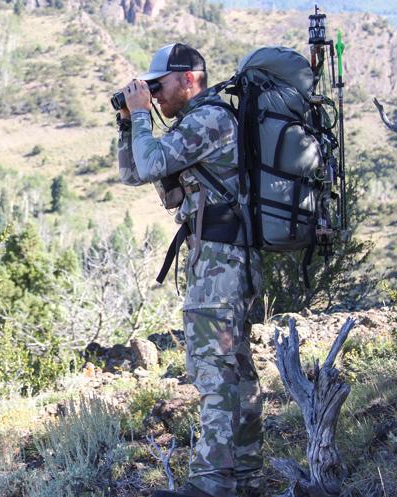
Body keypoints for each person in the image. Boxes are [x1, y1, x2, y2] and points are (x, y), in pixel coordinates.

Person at [116, 43, 264, 497]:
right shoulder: (200, 121)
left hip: (221, 259)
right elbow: (133, 172)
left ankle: (211, 484)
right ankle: (245, 474)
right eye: (151, 89)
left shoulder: (210, 119)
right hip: (223, 255)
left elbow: (154, 161)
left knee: (212, 368)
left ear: (189, 79)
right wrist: (127, 122)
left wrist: (141, 116)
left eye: (160, 85)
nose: (155, 95)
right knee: (234, 367)